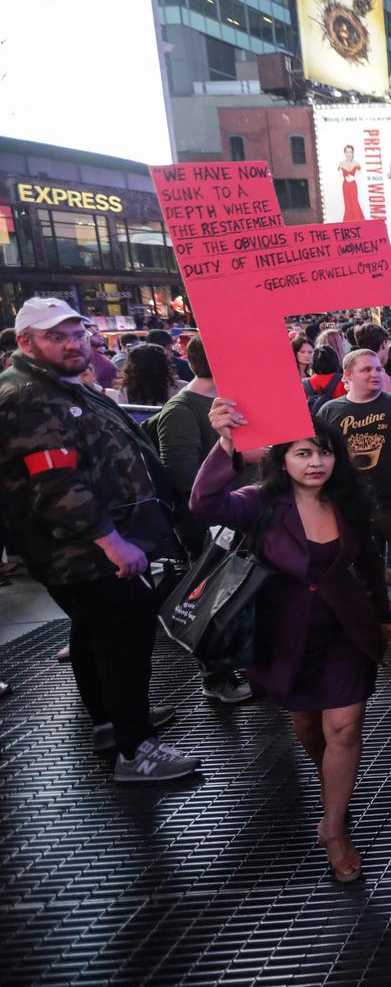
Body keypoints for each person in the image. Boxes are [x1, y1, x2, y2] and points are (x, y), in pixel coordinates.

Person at [199, 403, 391, 883]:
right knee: (309, 726)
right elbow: (204, 504)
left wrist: (386, 613)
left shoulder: (348, 501)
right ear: (281, 459)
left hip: (345, 631)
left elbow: (369, 559)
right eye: (303, 453)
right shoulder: (259, 502)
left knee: (345, 727)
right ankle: (334, 783)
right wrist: (226, 444)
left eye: (324, 453)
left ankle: (333, 827)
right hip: (282, 635)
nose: (316, 462)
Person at [0, 298, 191, 780]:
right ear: (25, 342)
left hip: (88, 548)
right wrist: (111, 543)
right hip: (85, 551)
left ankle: (111, 724)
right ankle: (135, 748)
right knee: (124, 639)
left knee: (93, 635)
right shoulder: (28, 396)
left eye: (76, 333)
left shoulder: (52, 385)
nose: (71, 344)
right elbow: (57, 484)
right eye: (55, 336)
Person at [149, 336, 254, 703]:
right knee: (212, 601)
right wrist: (242, 457)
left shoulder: (233, 400)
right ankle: (216, 675)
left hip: (244, 515)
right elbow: (183, 477)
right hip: (210, 527)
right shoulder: (180, 410)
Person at [317, 349, 391, 634]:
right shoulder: (330, 411)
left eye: (378, 369)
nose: (374, 374)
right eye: (366, 370)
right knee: (361, 563)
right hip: (352, 504)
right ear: (347, 377)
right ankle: (373, 615)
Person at [338, 145, 364, 221]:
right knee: (347, 204)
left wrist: (351, 178)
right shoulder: (341, 163)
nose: (349, 154)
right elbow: (340, 175)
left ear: (353, 153)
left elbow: (357, 175)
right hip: (345, 186)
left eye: (351, 152)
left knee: (354, 203)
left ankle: (358, 221)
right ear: (344, 153)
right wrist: (345, 176)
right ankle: (349, 223)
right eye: (347, 152)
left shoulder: (356, 163)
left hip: (353, 185)